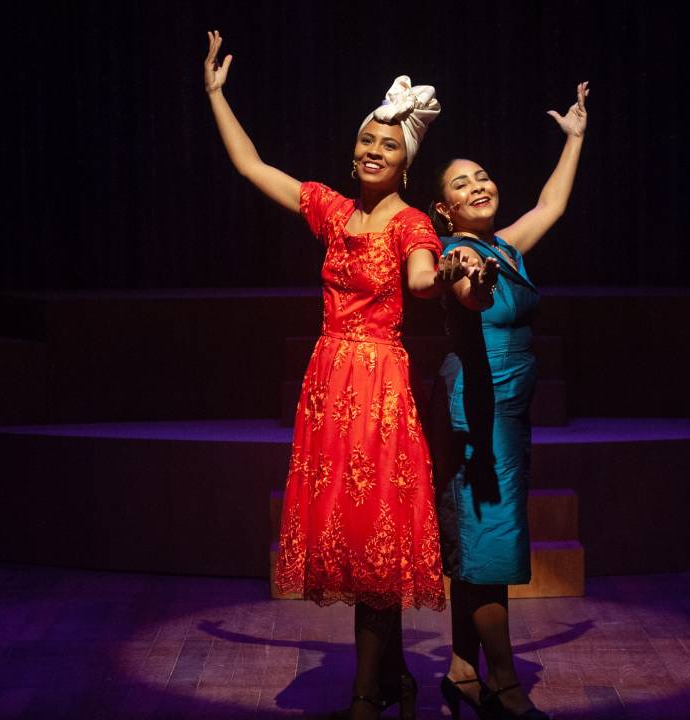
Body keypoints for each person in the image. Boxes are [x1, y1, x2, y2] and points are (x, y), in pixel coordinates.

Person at [203, 31, 458, 720]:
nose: (376, 149)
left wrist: (442, 277)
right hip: (329, 383)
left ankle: (364, 694)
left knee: (374, 537)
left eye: (389, 143)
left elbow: (424, 280)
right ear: (355, 151)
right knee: (351, 536)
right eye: (368, 140)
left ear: (406, 161)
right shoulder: (332, 212)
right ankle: (398, 676)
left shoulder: (411, 227)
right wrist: (215, 95)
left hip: (377, 385)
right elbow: (253, 166)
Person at [429, 81, 589, 720]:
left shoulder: (508, 246)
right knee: (487, 541)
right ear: (444, 211)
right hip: (477, 411)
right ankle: (503, 682)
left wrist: (574, 140)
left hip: (509, 413)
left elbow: (551, 202)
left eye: (483, 177)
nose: (478, 186)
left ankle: (463, 669)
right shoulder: (461, 252)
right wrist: (471, 281)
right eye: (461, 184)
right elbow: (465, 289)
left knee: (481, 549)